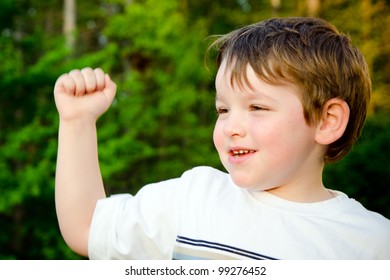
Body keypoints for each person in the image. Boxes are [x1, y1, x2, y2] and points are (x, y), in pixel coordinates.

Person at [54, 17, 390, 260]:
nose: (230, 127)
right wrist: (77, 122)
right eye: (223, 109)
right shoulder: (192, 199)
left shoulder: (373, 245)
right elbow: (86, 230)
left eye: (257, 106)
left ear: (327, 121)